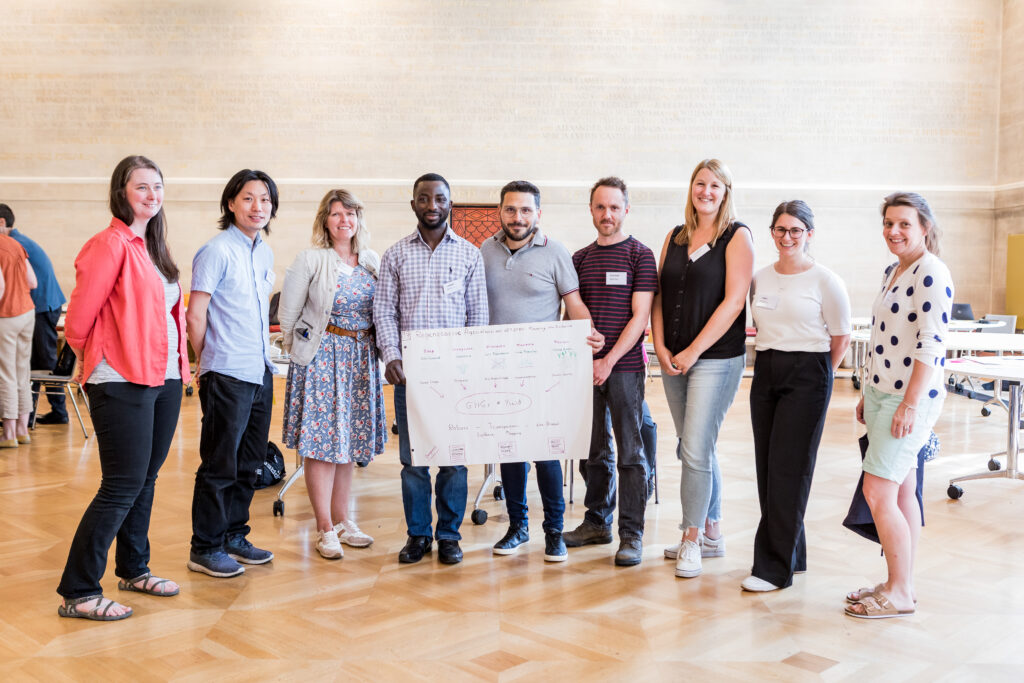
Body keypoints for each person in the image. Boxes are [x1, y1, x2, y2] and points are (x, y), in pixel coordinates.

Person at [56, 155, 190, 621]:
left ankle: (134, 567)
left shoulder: (154, 246)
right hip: (121, 379)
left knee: (145, 480)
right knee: (121, 484)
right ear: (121, 192)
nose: (152, 195)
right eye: (141, 187)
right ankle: (79, 588)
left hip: (165, 377)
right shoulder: (109, 244)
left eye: (158, 186)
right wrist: (105, 357)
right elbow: (78, 321)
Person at [480, 180, 603, 562]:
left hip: (544, 373)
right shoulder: (484, 250)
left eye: (526, 210)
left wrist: (591, 335)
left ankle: (553, 533)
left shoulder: (555, 253)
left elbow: (574, 302)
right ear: (500, 212)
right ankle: (518, 527)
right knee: (511, 452)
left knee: (547, 454)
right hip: (499, 371)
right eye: (511, 210)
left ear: (538, 213)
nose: (518, 217)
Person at [845, 192, 952, 619]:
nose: (894, 231)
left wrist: (909, 404)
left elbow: (932, 344)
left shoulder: (930, 272)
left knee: (877, 491)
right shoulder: (896, 270)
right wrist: (866, 391)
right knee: (904, 489)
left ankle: (902, 593)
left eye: (904, 223)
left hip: (907, 398)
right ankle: (898, 581)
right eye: (888, 223)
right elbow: (881, 335)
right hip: (881, 393)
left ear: (925, 227)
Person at [375, 173, 488, 565]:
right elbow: (384, 312)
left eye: (440, 198)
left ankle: (449, 536)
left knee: (454, 460)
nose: (432, 205)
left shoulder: (470, 255)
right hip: (411, 378)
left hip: (456, 379)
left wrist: (471, 366)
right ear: (413, 205)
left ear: (450, 203)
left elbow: (478, 317)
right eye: (423, 199)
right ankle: (418, 535)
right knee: (414, 461)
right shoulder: (395, 256)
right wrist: (391, 355)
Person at [651, 159, 753, 579]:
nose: (706, 191)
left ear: (726, 191)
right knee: (694, 446)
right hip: (673, 359)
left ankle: (690, 539)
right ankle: (712, 533)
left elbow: (733, 303)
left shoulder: (737, 236)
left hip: (715, 359)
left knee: (694, 448)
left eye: (715, 185)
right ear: (690, 187)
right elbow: (656, 294)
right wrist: (658, 347)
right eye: (699, 183)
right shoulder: (675, 236)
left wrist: (693, 350)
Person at [743, 200, 851, 592]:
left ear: (809, 234)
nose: (787, 237)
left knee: (790, 469)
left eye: (795, 230)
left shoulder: (826, 280)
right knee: (768, 467)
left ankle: (774, 570)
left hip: (809, 372)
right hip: (767, 369)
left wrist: (819, 376)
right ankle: (794, 553)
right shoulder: (760, 278)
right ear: (772, 232)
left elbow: (841, 338)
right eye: (780, 230)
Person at [279, 189, 386, 559]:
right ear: (325, 220)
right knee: (322, 445)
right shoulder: (310, 260)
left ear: (359, 219)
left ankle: (344, 519)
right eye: (337, 214)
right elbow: (288, 317)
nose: (345, 220)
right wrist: (302, 355)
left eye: (351, 214)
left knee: (347, 443)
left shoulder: (370, 259)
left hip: (360, 359)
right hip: (323, 360)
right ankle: (324, 526)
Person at [187, 169, 279, 578]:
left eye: (264, 199)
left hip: (259, 370)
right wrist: (208, 361)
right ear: (230, 203)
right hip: (226, 370)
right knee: (219, 463)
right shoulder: (216, 250)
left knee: (251, 461)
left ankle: (234, 535)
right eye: (248, 198)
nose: (257, 207)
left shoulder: (264, 252)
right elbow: (196, 314)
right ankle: (205, 546)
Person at [563, 176, 657, 567]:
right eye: (600, 207)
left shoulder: (640, 255)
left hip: (625, 368)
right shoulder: (579, 259)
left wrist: (609, 360)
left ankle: (630, 534)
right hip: (583, 372)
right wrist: (590, 361)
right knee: (591, 451)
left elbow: (640, 318)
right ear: (591, 210)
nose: (607, 214)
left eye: (615, 207)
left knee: (631, 453)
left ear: (626, 210)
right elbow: (572, 311)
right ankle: (597, 521)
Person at [0, 204, 67, 425]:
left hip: (41, 306)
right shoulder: (19, 241)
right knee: (30, 362)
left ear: (2, 223)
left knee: (44, 361)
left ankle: (59, 412)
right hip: (36, 307)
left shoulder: (13, 244)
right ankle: (26, 416)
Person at [0, 225, 37, 448]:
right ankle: (23, 429)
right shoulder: (15, 244)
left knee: (5, 374)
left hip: (6, 316)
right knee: (22, 371)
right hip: (26, 312)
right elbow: (33, 282)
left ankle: (8, 434)